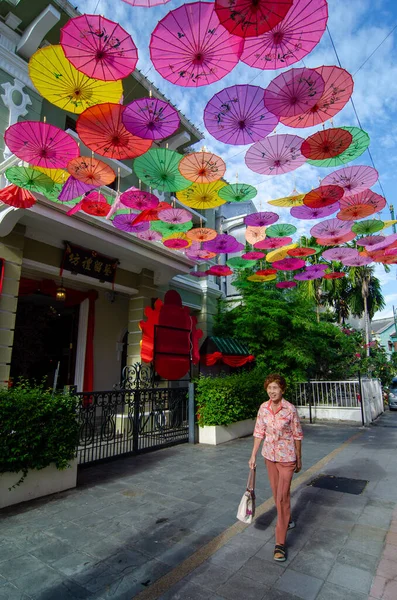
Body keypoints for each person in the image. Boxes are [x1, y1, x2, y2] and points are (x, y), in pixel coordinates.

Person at [249, 373, 303, 562]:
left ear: (282, 389)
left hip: (287, 458)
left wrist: (299, 457)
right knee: (277, 494)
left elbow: (297, 435)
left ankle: (280, 543)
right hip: (269, 457)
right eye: (269, 388)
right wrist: (253, 454)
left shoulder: (290, 409)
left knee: (281, 497)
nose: (272, 391)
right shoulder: (263, 408)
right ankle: (286, 519)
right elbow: (259, 432)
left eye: (275, 388)